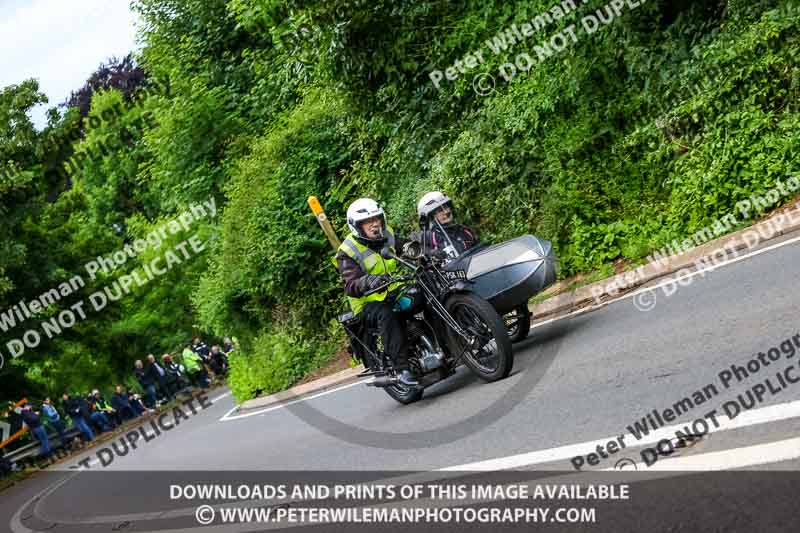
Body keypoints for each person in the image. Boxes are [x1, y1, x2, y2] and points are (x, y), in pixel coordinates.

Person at [336, 198, 418, 386]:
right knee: (387, 314)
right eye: (367, 221)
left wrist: (425, 252)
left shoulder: (387, 234)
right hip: (367, 304)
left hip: (392, 291)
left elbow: (407, 248)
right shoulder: (347, 251)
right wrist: (368, 280)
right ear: (357, 226)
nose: (374, 224)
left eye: (377, 219)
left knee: (421, 294)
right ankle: (401, 369)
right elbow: (351, 285)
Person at [415, 191, 478, 259]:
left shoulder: (465, 231)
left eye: (446, 207)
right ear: (431, 217)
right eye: (440, 211)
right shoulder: (429, 237)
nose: (446, 212)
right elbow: (415, 249)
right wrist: (430, 252)